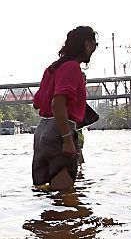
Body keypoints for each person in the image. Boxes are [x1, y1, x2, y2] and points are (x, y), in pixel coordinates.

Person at [31, 26, 97, 190]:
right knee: (64, 197)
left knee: (46, 194)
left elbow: (37, 103)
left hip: (41, 135)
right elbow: (57, 103)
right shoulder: (72, 67)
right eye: (95, 44)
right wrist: (67, 139)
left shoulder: (52, 69)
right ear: (87, 44)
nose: (95, 48)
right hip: (59, 133)